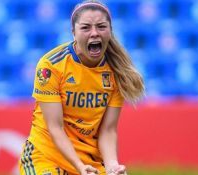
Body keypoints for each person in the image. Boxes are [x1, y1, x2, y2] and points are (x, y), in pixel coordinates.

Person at [19, 0, 145, 175]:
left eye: (101, 27)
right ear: (73, 33)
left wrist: (112, 166)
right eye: (85, 28)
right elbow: (55, 128)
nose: (94, 33)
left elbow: (107, 130)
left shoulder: (117, 72)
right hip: (45, 156)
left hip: (89, 161)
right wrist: (79, 166)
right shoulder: (51, 66)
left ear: (110, 30)